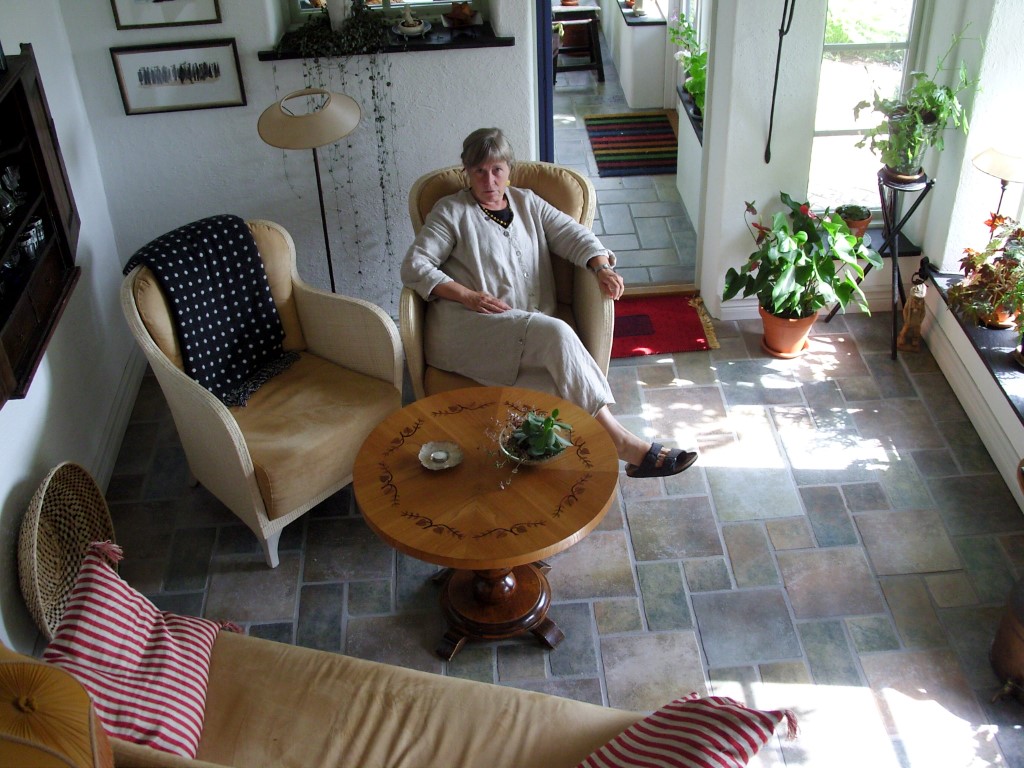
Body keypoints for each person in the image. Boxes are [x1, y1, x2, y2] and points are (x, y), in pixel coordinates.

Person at [401, 127, 697, 478]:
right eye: (479, 170)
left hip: (524, 331)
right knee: (557, 333)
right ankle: (624, 444)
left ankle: (551, 466)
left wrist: (600, 267)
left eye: (496, 169)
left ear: (509, 170)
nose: (489, 180)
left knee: (557, 381)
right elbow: (415, 266)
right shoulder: (451, 211)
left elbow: (573, 234)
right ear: (466, 171)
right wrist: (467, 294)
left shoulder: (527, 203)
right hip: (466, 328)